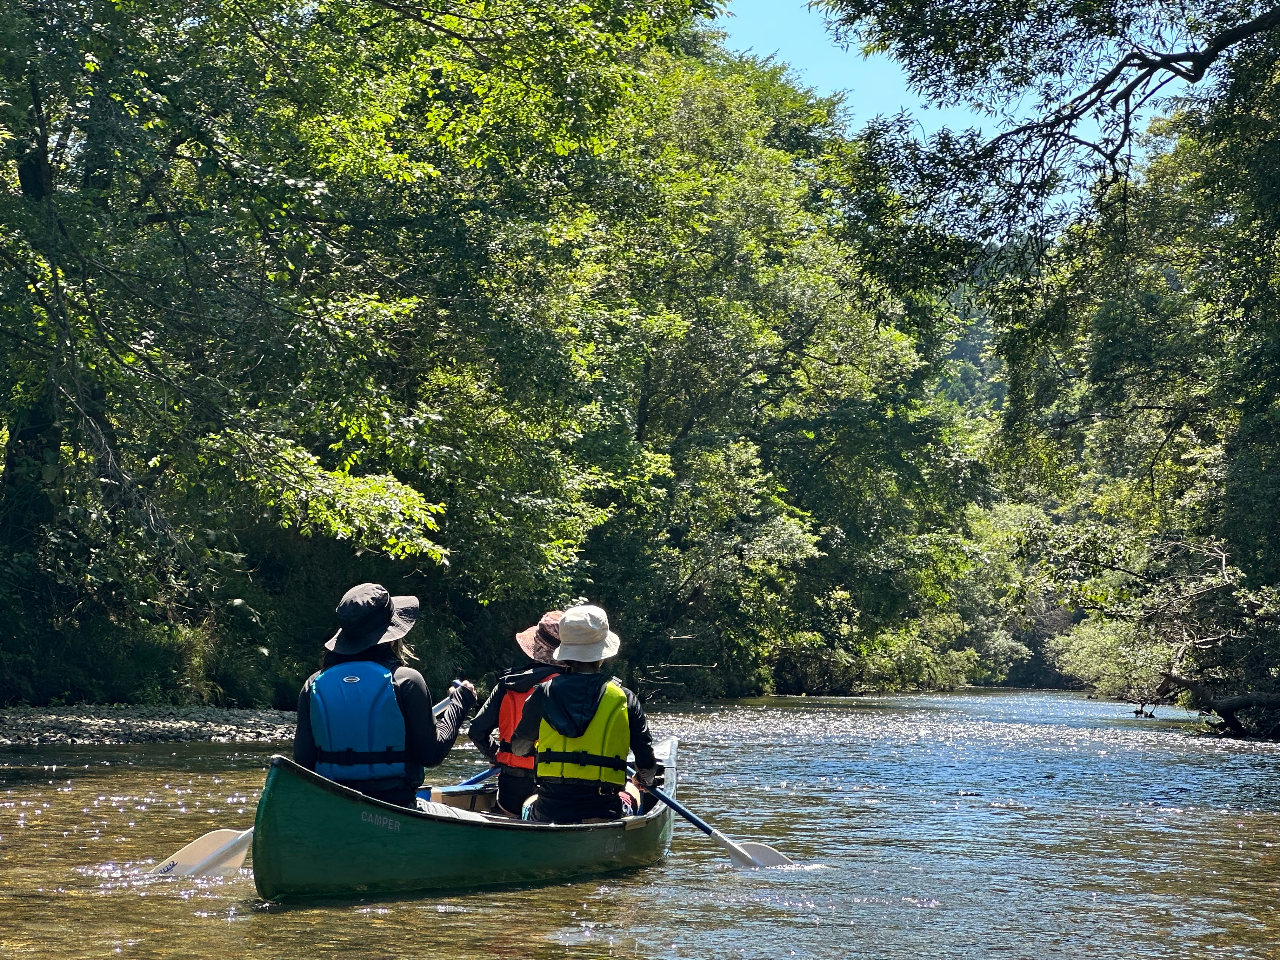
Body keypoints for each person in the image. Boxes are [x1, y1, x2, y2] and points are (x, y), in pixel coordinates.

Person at [292, 582, 477, 808]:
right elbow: (431, 755)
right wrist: (460, 702)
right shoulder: (406, 681)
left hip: (333, 806)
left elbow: (302, 760)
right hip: (396, 806)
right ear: (391, 634)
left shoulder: (313, 684)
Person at [510, 604, 658, 823]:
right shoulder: (625, 697)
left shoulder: (542, 692)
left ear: (566, 653)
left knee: (527, 803)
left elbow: (519, 748)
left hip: (550, 810)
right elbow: (645, 763)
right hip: (603, 812)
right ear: (602, 654)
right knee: (634, 792)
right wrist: (642, 779)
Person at [468, 611, 566, 815]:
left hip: (511, 787)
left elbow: (477, 730)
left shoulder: (508, 684)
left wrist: (497, 755)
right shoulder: (571, 688)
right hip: (556, 787)